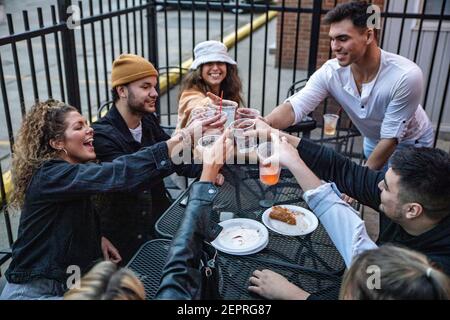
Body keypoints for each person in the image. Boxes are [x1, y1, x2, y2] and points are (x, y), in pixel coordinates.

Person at [0, 99, 220, 300]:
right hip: (30, 293)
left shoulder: (70, 173)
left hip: (67, 284)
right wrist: (183, 138)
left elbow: (64, 219)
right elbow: (120, 173)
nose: (90, 130)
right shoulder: (49, 175)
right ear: (57, 143)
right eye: (79, 127)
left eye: (87, 123)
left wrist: (98, 237)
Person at [245, 121, 450, 299]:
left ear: (412, 210)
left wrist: (294, 295)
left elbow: (368, 272)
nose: (378, 186)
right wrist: (276, 135)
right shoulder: (410, 199)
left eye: (386, 187)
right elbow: (343, 169)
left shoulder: (430, 276)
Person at [264, 1, 434, 170]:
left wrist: (356, 184)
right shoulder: (331, 71)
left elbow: (390, 139)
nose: (335, 47)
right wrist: (264, 123)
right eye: (332, 39)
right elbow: (295, 107)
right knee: (373, 189)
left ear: (368, 36)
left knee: (396, 194)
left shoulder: (406, 75)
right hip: (373, 140)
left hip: (412, 143)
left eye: (343, 39)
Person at [64, 132, 234, 300]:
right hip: (135, 234)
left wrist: (203, 165)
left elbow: (176, 159)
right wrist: (207, 174)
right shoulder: (103, 138)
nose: (89, 129)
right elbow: (179, 270)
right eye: (79, 126)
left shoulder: (148, 122)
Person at [92, 54, 226, 264]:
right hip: (126, 237)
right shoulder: (101, 135)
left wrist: (208, 169)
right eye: (146, 87)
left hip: (160, 218)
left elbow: (176, 158)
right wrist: (184, 138)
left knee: (215, 242)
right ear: (122, 91)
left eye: (154, 86)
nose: (155, 93)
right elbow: (131, 179)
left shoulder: (147, 120)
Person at [176, 40, 244, 131]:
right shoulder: (190, 92)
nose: (215, 68)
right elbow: (194, 106)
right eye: (209, 63)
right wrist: (210, 105)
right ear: (199, 71)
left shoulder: (228, 88)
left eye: (220, 62)